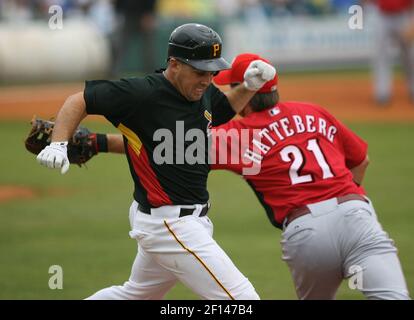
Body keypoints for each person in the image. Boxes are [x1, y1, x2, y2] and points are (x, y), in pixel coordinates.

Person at [96, 53, 411, 300]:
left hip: (307, 232)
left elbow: (166, 145)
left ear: (240, 92)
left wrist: (94, 143)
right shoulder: (312, 111)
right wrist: (348, 205)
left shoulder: (239, 134)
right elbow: (361, 160)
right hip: (357, 214)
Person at [36, 24, 276, 300]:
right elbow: (79, 101)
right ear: (174, 64)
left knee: (136, 295)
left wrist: (249, 87)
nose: (207, 80)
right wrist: (59, 142)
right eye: (200, 71)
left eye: (212, 72)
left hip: (184, 221)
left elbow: (222, 109)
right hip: (169, 224)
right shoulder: (141, 93)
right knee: (243, 300)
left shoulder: (202, 91)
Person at [369, 0, 414, 105]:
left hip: (403, 15)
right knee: (381, 56)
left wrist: (412, 22)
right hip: (382, 16)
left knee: (410, 57)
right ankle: (382, 93)